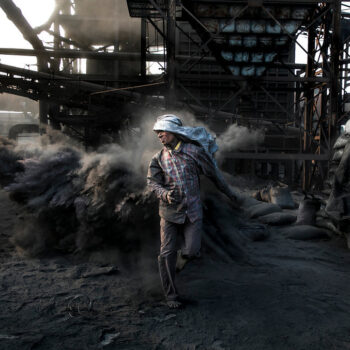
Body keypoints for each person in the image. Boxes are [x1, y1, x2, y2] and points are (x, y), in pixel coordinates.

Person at [147, 114, 240, 309]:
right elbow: (152, 183)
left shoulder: (195, 152)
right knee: (166, 253)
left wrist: (230, 194)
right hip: (169, 212)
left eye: (162, 131)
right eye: (158, 133)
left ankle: (181, 260)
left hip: (193, 211)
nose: (159, 136)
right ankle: (171, 295)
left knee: (192, 249)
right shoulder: (158, 158)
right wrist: (164, 194)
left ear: (173, 132)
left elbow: (214, 175)